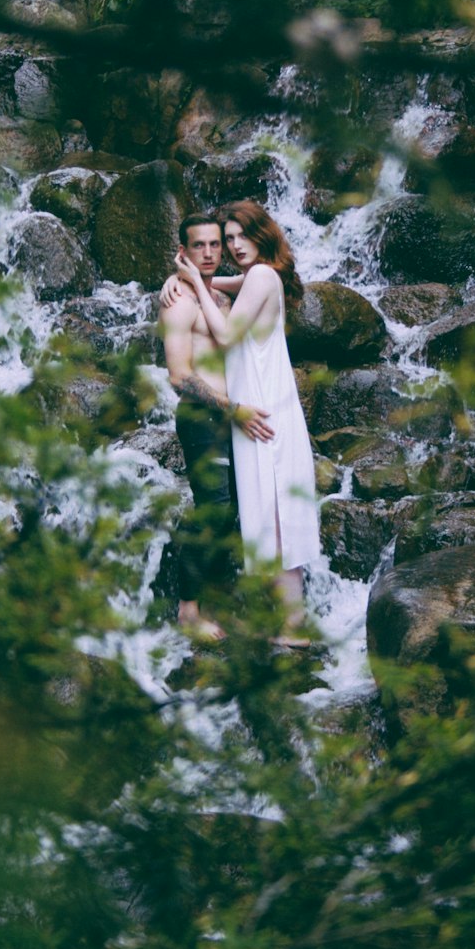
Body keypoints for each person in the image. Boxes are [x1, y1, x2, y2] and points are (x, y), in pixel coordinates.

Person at [173, 200, 320, 642]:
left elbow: (228, 334)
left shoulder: (260, 276)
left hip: (259, 411)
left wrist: (195, 288)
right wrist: (184, 276)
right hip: (263, 409)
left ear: (262, 234)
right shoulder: (260, 276)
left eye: (241, 236)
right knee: (273, 510)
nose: (234, 246)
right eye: (228, 238)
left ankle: (292, 623)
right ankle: (290, 621)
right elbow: (216, 279)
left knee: (273, 512)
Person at [158, 212, 274, 640]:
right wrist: (234, 408)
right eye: (198, 246)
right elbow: (179, 375)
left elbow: (263, 278)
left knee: (236, 510)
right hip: (204, 418)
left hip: (231, 417)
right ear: (183, 251)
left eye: (214, 245)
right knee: (215, 509)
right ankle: (187, 612)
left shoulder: (219, 299)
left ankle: (214, 599)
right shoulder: (179, 302)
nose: (208, 253)